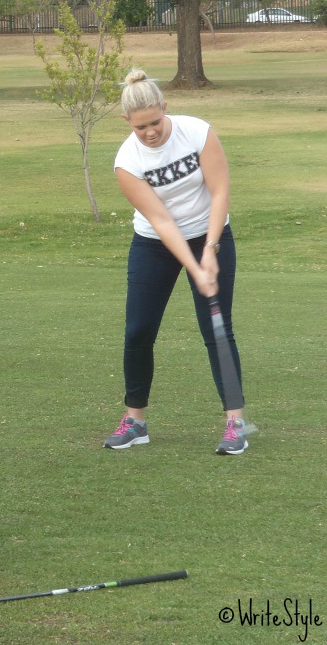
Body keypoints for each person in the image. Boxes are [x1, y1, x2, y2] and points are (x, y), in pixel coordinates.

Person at [104, 68, 248, 455]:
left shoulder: (197, 132)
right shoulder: (126, 161)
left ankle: (235, 424)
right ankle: (136, 421)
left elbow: (220, 193)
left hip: (210, 232)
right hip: (154, 244)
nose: (149, 132)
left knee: (216, 329)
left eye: (154, 122)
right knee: (138, 330)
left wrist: (210, 251)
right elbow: (163, 221)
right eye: (140, 127)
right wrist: (194, 265)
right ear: (126, 123)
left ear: (166, 108)